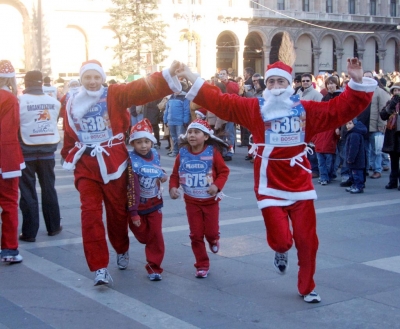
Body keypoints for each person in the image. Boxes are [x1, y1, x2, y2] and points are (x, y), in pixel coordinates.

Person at [177, 54, 376, 302]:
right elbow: (221, 102)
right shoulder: (255, 109)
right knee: (282, 241)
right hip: (269, 184)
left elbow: (338, 109)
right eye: (270, 83)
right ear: (266, 87)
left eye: (280, 83)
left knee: (307, 242)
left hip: (300, 183)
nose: (275, 88)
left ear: (289, 84)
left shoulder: (307, 110)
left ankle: (307, 287)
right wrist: (191, 76)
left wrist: (356, 82)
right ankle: (280, 252)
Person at [61, 59, 181, 286]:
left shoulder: (114, 94)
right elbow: (68, 133)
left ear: (103, 78)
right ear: (82, 79)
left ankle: (121, 248)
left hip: (114, 164)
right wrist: (69, 155)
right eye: (88, 77)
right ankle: (99, 267)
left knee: (117, 214)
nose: (93, 82)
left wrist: (166, 74)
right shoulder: (71, 101)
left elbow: (138, 90)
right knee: (90, 216)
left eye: (97, 77)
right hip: (86, 167)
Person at [169, 119, 230, 278]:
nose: (192, 135)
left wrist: (216, 186)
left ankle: (213, 240)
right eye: (190, 132)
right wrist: (173, 188)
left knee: (210, 232)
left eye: (196, 132)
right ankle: (202, 264)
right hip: (191, 202)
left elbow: (224, 172)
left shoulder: (212, 152)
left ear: (206, 136)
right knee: (195, 235)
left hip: (210, 202)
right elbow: (175, 174)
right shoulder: (182, 154)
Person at [18, 70, 62, 243]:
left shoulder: (19, 101)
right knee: (49, 188)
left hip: (26, 151)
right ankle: (54, 227)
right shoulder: (54, 102)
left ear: (26, 83)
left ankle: (29, 232)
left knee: (28, 192)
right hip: (48, 151)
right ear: (41, 83)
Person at [127, 119, 168, 281]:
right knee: (144, 236)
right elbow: (131, 187)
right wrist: (134, 212)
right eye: (139, 142)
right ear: (132, 143)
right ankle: (145, 238)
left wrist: (163, 175)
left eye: (146, 141)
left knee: (156, 235)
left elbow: (156, 170)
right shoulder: (131, 160)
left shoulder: (155, 155)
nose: (143, 146)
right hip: (137, 206)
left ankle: (154, 267)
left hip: (155, 203)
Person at [0, 60, 25, 263]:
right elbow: (9, 131)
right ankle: (9, 249)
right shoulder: (9, 98)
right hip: (5, 158)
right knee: (9, 203)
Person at [359, 71, 390, 179]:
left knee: (376, 150)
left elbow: (383, 109)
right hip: (363, 125)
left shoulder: (379, 92)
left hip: (375, 126)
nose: (367, 79)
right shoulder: (361, 91)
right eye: (365, 77)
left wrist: (382, 124)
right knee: (365, 150)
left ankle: (377, 169)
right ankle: (366, 168)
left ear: (373, 79)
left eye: (369, 77)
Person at [313, 76, 341, 185]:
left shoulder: (340, 96)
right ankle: (326, 176)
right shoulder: (325, 97)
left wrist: (339, 127)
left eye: (332, 83)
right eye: (328, 84)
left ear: (336, 84)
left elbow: (341, 114)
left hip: (337, 128)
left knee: (335, 156)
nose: (330, 86)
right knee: (327, 157)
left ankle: (332, 173)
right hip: (326, 129)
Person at [296, 73, 323, 178]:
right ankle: (305, 168)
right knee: (303, 147)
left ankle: (314, 169)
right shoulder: (298, 93)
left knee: (312, 147)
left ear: (311, 82)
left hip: (311, 124)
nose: (305, 83)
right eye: (303, 81)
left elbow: (320, 110)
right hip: (300, 124)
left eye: (307, 80)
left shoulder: (316, 94)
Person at [380, 82, 400, 190]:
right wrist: (391, 105)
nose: (397, 93)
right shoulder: (390, 102)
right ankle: (393, 181)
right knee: (393, 160)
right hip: (392, 135)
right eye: (395, 91)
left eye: (398, 90)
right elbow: (383, 115)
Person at [163, 81, 190, 157]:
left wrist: (185, 120)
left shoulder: (185, 97)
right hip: (171, 121)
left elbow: (186, 110)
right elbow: (166, 110)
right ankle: (175, 151)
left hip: (180, 121)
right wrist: (165, 119)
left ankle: (182, 152)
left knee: (180, 138)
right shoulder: (170, 97)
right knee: (174, 138)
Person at [344, 119, 367, 194]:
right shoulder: (352, 133)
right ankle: (354, 185)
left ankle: (359, 186)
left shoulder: (354, 134)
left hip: (356, 160)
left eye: (350, 123)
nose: (348, 126)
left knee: (356, 174)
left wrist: (350, 158)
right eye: (346, 124)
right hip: (354, 160)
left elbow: (354, 148)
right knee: (353, 174)